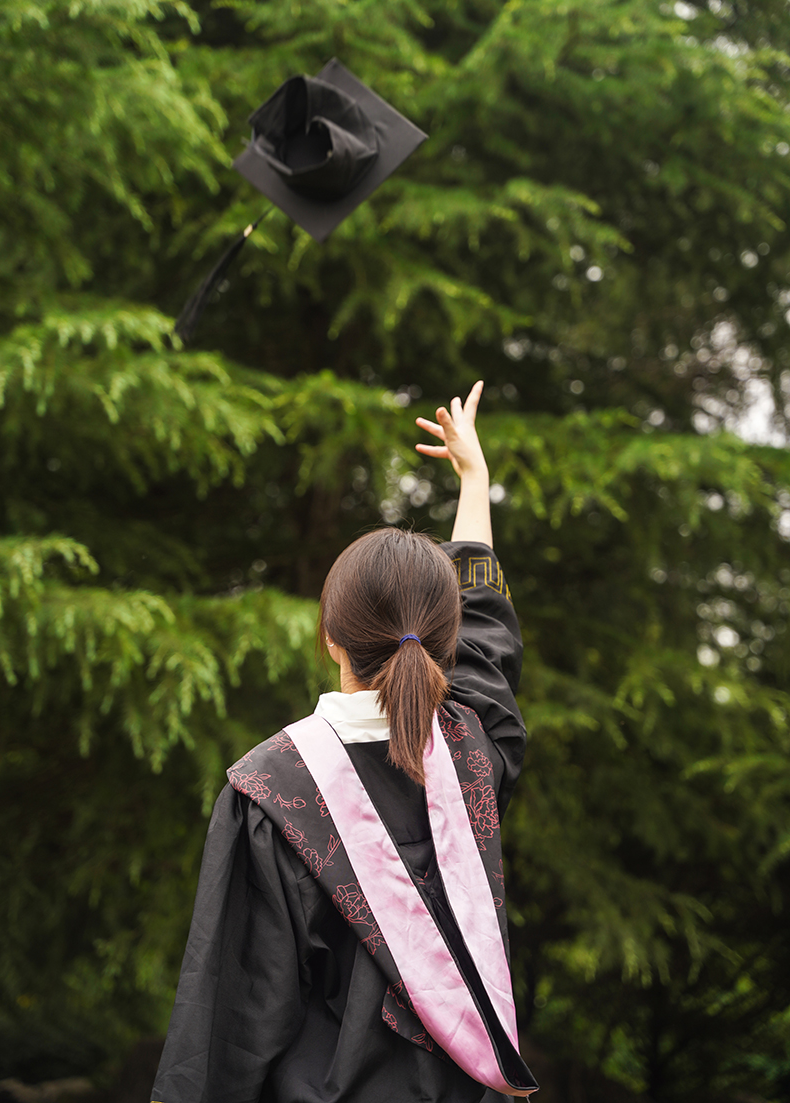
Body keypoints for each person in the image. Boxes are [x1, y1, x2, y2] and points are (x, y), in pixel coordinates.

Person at [151, 381, 538, 1103]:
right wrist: (474, 481)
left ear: (331, 637)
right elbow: (487, 634)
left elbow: (235, 1026)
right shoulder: (474, 755)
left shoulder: (272, 791)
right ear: (445, 643)